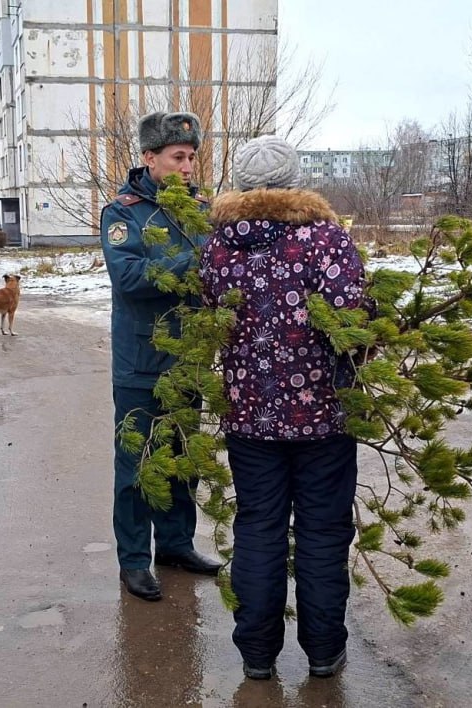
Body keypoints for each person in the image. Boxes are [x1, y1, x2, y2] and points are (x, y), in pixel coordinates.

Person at [200, 135, 370, 680]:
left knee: (258, 528)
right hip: (324, 414)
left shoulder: (220, 247)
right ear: (294, 181)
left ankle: (256, 655)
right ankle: (323, 652)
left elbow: (212, 318)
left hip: (250, 417)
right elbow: (352, 324)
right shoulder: (325, 239)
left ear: (244, 186)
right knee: (322, 531)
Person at [100, 111, 223, 602]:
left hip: (190, 362)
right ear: (150, 158)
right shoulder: (123, 213)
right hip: (141, 364)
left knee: (180, 461)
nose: (189, 166)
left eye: (192, 157)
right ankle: (134, 561)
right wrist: (197, 259)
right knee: (135, 468)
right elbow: (129, 280)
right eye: (178, 157)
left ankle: (175, 546)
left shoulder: (203, 211)